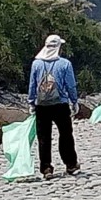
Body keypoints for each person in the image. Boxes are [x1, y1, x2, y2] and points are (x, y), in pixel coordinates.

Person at [27, 34, 79, 179]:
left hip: (42, 105)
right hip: (60, 104)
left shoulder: (36, 64)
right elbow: (71, 85)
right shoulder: (65, 64)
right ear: (58, 47)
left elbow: (32, 85)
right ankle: (70, 164)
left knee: (43, 137)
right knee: (66, 135)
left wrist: (31, 102)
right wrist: (74, 101)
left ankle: (46, 168)